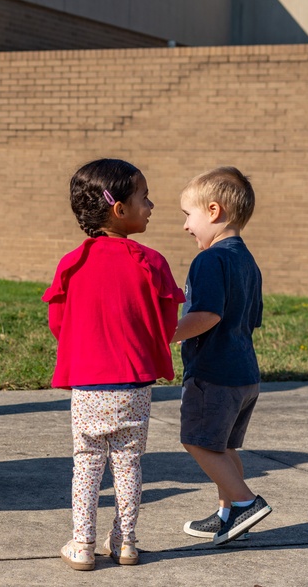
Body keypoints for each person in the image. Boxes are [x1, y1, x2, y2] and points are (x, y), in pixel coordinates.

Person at [42, 159, 184, 570]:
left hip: (89, 384)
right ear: (119, 209)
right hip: (135, 384)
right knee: (129, 462)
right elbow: (168, 321)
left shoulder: (73, 263)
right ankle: (125, 542)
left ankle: (82, 544)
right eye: (144, 197)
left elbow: (59, 322)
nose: (151, 204)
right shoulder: (151, 262)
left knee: (87, 463)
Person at [173, 166, 271, 545]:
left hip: (213, 373)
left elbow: (207, 315)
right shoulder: (247, 260)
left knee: (197, 441)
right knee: (224, 447)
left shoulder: (210, 260)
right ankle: (227, 514)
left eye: (188, 215)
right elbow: (251, 317)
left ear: (213, 211)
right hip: (245, 373)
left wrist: (164, 335)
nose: (185, 226)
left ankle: (246, 502)